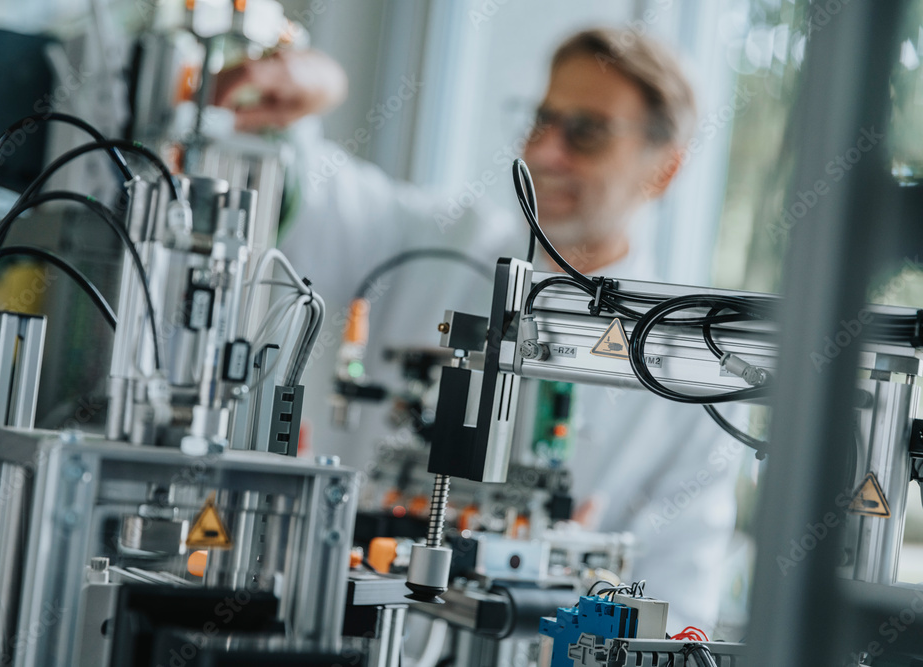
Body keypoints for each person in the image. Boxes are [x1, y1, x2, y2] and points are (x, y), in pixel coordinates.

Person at [215, 28, 745, 633]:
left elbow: (679, 621)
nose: (546, 152)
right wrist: (294, 101)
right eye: (543, 120)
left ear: (666, 168)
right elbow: (303, 184)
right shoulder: (434, 245)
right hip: (336, 632)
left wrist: (580, 587)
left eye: (588, 132)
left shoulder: (690, 385)